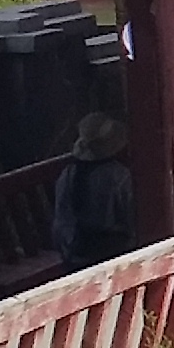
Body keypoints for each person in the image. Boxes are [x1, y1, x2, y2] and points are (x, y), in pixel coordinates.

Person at [44, 108, 135, 266]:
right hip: (113, 253)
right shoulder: (119, 176)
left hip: (75, 252)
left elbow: (60, 222)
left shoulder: (68, 174)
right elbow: (130, 216)